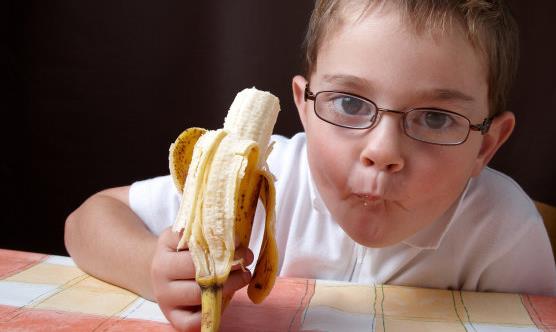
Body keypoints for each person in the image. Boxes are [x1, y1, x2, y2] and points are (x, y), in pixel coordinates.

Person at [65, 0, 556, 330]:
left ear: (486, 145)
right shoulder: (261, 179)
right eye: (348, 103)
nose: (382, 151)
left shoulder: (503, 232)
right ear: (302, 106)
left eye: (434, 117)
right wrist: (150, 268)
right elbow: (88, 218)